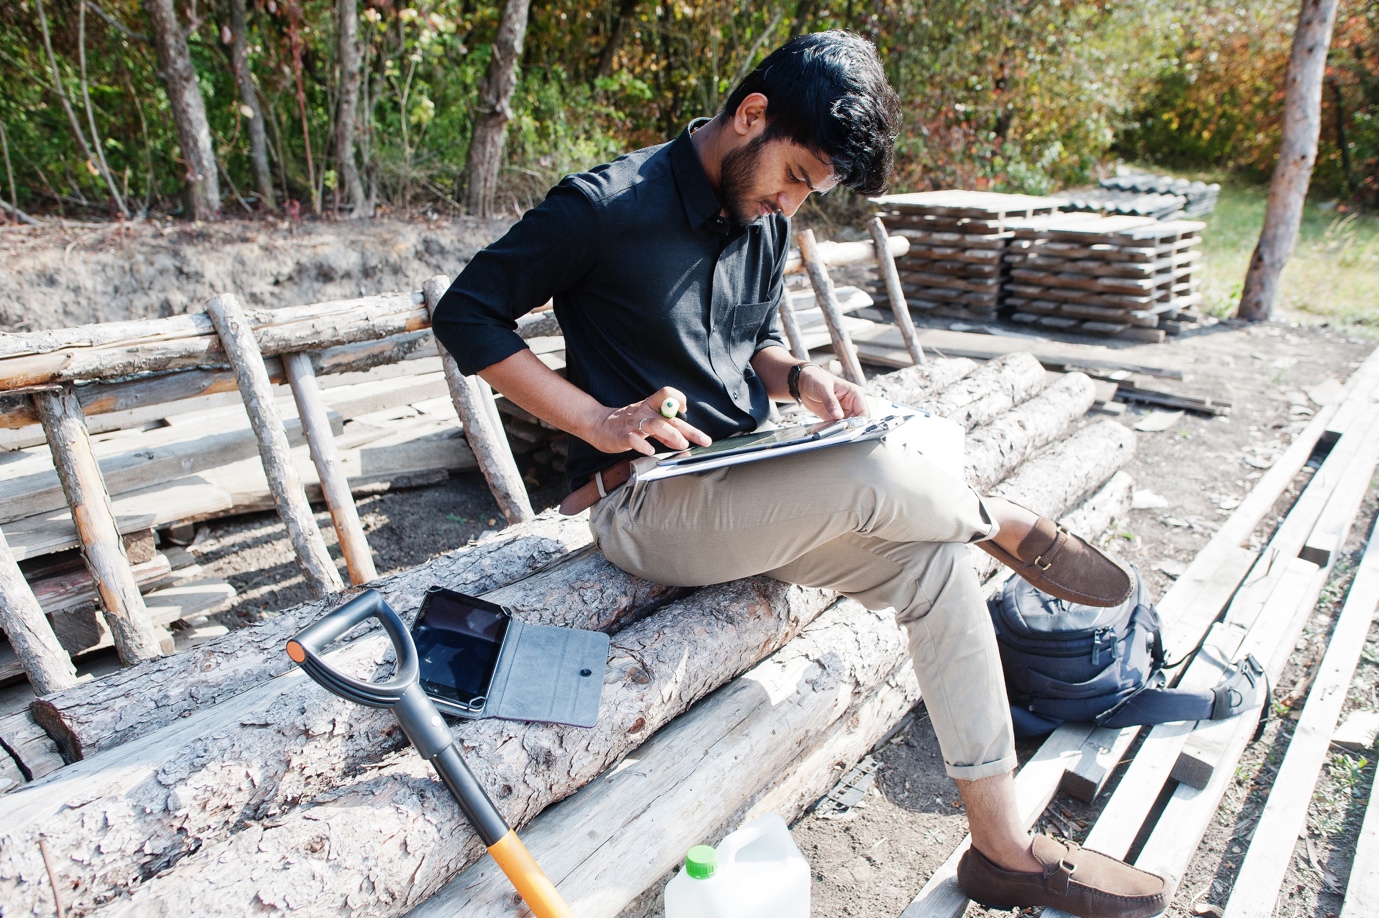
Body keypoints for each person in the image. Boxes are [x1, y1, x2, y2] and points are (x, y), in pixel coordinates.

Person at [432, 30, 1168, 918]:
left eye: (809, 193)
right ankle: (995, 517)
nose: (791, 202)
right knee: (884, 476)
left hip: (758, 483)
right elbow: (466, 312)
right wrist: (595, 419)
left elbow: (748, 347)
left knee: (935, 571)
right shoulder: (602, 205)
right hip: (652, 508)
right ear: (752, 115)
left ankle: (1000, 847)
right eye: (793, 177)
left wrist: (801, 379)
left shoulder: (764, 220)